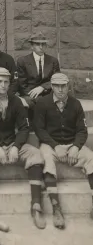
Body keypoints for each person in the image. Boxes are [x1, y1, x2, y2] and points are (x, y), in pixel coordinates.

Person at [0, 67, 46, 230]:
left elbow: (24, 128)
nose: (3, 85)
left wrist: (16, 147)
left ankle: (36, 205)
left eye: (6, 82)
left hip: (13, 143)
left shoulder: (16, 101)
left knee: (35, 155)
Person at [34, 73, 93, 229]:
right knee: (46, 159)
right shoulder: (42, 103)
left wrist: (75, 147)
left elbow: (82, 131)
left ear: (68, 87)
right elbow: (39, 130)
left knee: (91, 157)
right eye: (57, 86)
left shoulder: (75, 104)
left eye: (63, 86)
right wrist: (55, 146)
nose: (60, 90)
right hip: (51, 145)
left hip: (71, 144)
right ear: (52, 87)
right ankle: (56, 208)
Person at [16, 31, 60, 109]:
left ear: (46, 46)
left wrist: (42, 87)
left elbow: (57, 79)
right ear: (32, 46)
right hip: (30, 95)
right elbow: (23, 85)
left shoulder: (53, 61)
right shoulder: (22, 61)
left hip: (49, 93)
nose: (41, 47)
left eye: (43, 44)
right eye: (37, 44)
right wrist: (36, 96)